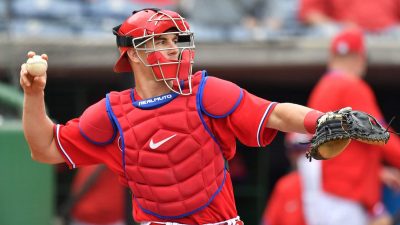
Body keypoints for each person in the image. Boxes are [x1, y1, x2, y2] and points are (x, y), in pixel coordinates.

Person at [19, 8, 378, 225]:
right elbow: (46, 148)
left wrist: (320, 120)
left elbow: (276, 114)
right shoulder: (113, 112)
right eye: (160, 41)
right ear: (131, 55)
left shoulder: (206, 91)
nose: (174, 48)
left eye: (177, 39)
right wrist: (34, 95)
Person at [299, 28, 400, 225]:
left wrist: (376, 171)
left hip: (323, 190)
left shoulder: (321, 88)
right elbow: (380, 136)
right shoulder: (351, 86)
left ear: (332, 57)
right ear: (360, 58)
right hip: (341, 194)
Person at [261, 132, 309, 225]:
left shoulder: (327, 181)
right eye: (294, 149)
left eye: (305, 148)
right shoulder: (284, 185)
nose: (299, 154)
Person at [298, 0, 400, 36]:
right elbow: (310, 13)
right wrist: (339, 26)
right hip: (344, 35)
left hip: (388, 35)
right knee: (327, 31)